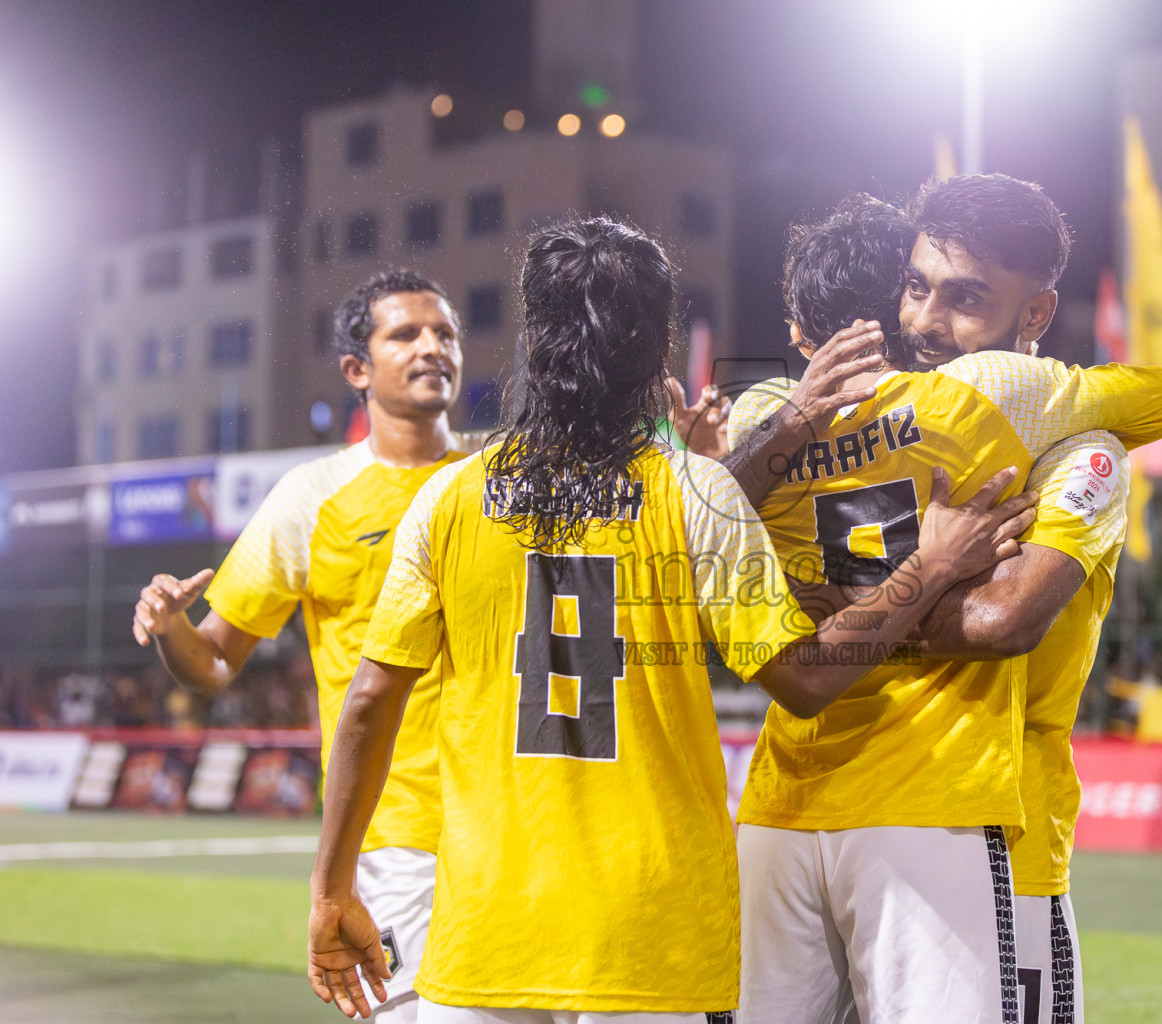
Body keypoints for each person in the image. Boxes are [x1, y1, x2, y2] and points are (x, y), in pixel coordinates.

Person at [304, 216, 1036, 1023]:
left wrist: (332, 888)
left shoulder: (446, 498)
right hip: (654, 930)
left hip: (487, 927)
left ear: (534, 341)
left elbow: (369, 701)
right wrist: (928, 569)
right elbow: (805, 680)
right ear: (659, 353)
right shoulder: (696, 492)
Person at [719, 179, 1162, 1024]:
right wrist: (924, 576)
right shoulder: (860, 422)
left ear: (1037, 314)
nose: (927, 322)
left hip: (988, 826)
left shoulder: (1074, 452)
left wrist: (837, 613)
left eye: (965, 298)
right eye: (915, 287)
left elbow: (1006, 622)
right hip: (940, 814)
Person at [131, 269, 474, 1023]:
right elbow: (215, 662)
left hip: (512, 820)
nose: (432, 347)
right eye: (406, 334)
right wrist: (170, 628)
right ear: (357, 369)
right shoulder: (310, 497)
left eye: (445, 333)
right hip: (394, 840)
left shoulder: (498, 479)